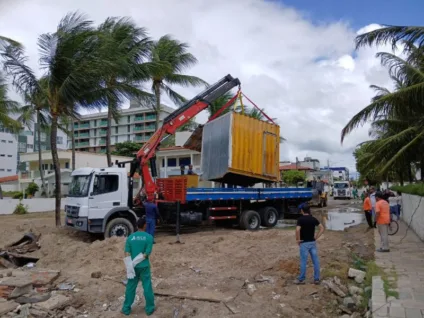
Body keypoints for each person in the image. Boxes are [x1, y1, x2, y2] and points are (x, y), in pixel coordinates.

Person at [122, 217, 155, 316]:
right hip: (144, 267)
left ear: (137, 225)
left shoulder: (130, 238)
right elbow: (147, 254)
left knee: (130, 287)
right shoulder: (149, 237)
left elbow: (126, 253)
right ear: (145, 225)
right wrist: (139, 260)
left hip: (132, 268)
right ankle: (149, 309)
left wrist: (130, 266)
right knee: (147, 287)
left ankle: (126, 308)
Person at [294, 203, 325, 285]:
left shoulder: (300, 220)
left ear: (302, 210)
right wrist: (316, 237)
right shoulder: (313, 219)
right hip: (312, 243)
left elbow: (297, 230)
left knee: (303, 261)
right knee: (315, 261)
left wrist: (298, 239)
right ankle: (317, 279)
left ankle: (301, 279)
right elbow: (322, 228)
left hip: (304, 243)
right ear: (309, 210)